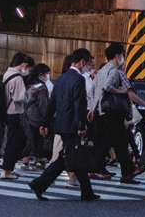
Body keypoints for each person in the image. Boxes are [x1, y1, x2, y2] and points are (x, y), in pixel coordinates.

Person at [29, 48, 99, 201]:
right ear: (81, 62)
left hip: (61, 123)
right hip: (73, 125)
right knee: (67, 157)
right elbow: (79, 104)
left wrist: (45, 123)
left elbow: (52, 103)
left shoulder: (60, 79)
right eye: (86, 63)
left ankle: (87, 192)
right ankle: (39, 183)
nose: (87, 67)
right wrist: (82, 125)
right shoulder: (78, 79)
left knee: (70, 156)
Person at [89, 42, 138, 183]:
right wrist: (120, 90)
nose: (123, 58)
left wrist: (93, 109)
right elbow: (107, 86)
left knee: (107, 141)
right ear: (118, 56)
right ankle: (125, 174)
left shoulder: (102, 70)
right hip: (113, 112)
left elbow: (92, 91)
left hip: (101, 112)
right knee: (120, 143)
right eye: (122, 55)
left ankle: (99, 167)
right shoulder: (114, 71)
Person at [0, 53, 33, 180]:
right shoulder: (17, 78)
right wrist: (30, 92)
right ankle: (7, 168)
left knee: (17, 139)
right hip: (14, 112)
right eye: (27, 65)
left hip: (7, 111)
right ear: (23, 64)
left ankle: (8, 164)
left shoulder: (7, 73)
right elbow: (20, 97)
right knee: (16, 140)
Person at [22, 63, 52, 170]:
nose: (48, 76)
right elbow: (43, 104)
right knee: (38, 139)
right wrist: (47, 118)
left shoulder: (30, 85)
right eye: (47, 73)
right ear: (41, 74)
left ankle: (26, 161)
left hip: (27, 115)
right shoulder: (42, 88)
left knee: (30, 139)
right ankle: (40, 160)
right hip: (36, 117)